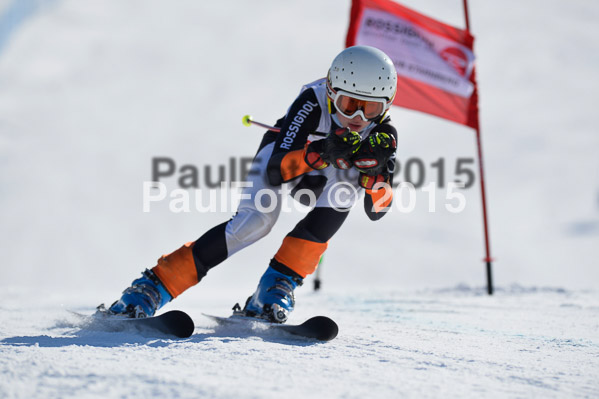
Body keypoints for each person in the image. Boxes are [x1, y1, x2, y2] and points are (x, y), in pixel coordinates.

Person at [102, 45, 398, 323]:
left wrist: (377, 177)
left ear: (385, 108)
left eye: (370, 109)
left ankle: (272, 290)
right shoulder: (313, 101)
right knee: (255, 221)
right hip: (286, 162)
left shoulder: (383, 134)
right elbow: (274, 171)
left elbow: (377, 211)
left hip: (323, 183)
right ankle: (151, 287)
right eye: (348, 104)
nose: (357, 118)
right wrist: (320, 152)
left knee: (348, 183)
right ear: (332, 93)